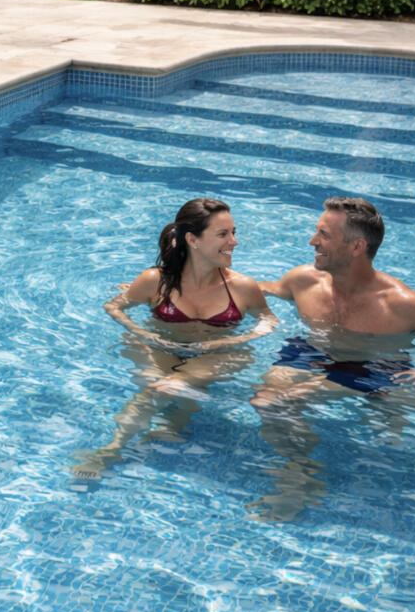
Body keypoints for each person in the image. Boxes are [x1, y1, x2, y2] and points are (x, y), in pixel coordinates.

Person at [249, 196, 415, 519]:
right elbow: (254, 291)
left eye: (324, 235)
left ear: (357, 247)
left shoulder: (402, 305)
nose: (312, 241)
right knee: (265, 398)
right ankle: (302, 469)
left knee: (380, 436)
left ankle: (303, 477)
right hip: (314, 350)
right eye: (316, 231)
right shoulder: (303, 281)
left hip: (376, 366)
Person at [73, 198, 276, 480]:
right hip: (162, 346)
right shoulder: (155, 280)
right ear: (192, 239)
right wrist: (143, 333)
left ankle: (116, 448)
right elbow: (114, 306)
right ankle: (133, 441)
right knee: (162, 385)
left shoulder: (242, 287)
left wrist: (222, 344)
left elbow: (269, 321)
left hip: (218, 354)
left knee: (167, 386)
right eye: (223, 234)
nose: (234, 241)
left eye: (234, 232)